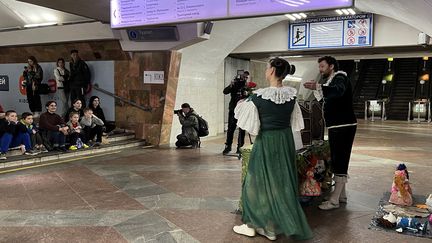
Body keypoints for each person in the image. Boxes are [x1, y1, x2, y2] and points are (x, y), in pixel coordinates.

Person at [232, 57, 312, 241]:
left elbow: (250, 126)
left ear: (271, 71)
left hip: (267, 140)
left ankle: (253, 224)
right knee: (281, 181)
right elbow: (294, 124)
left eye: (267, 67)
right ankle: (271, 227)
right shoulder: (291, 96)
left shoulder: (258, 96)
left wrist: (242, 102)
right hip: (285, 140)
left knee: (256, 181)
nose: (266, 70)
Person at [303, 56, 357, 210]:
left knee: (340, 160)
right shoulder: (331, 80)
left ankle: (334, 201)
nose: (320, 69)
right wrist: (319, 88)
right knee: (338, 159)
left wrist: (318, 87)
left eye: (322, 66)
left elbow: (338, 92)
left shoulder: (340, 77)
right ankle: (341, 195)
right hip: (338, 125)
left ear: (331, 66)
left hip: (343, 125)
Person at [222, 71, 248, 155]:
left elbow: (250, 97)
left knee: (242, 129)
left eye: (245, 77)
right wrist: (231, 85)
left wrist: (247, 92)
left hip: (243, 110)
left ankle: (240, 147)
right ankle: (228, 146)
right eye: (243, 77)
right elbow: (225, 91)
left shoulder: (247, 86)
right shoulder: (235, 84)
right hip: (233, 109)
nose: (243, 78)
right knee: (230, 129)